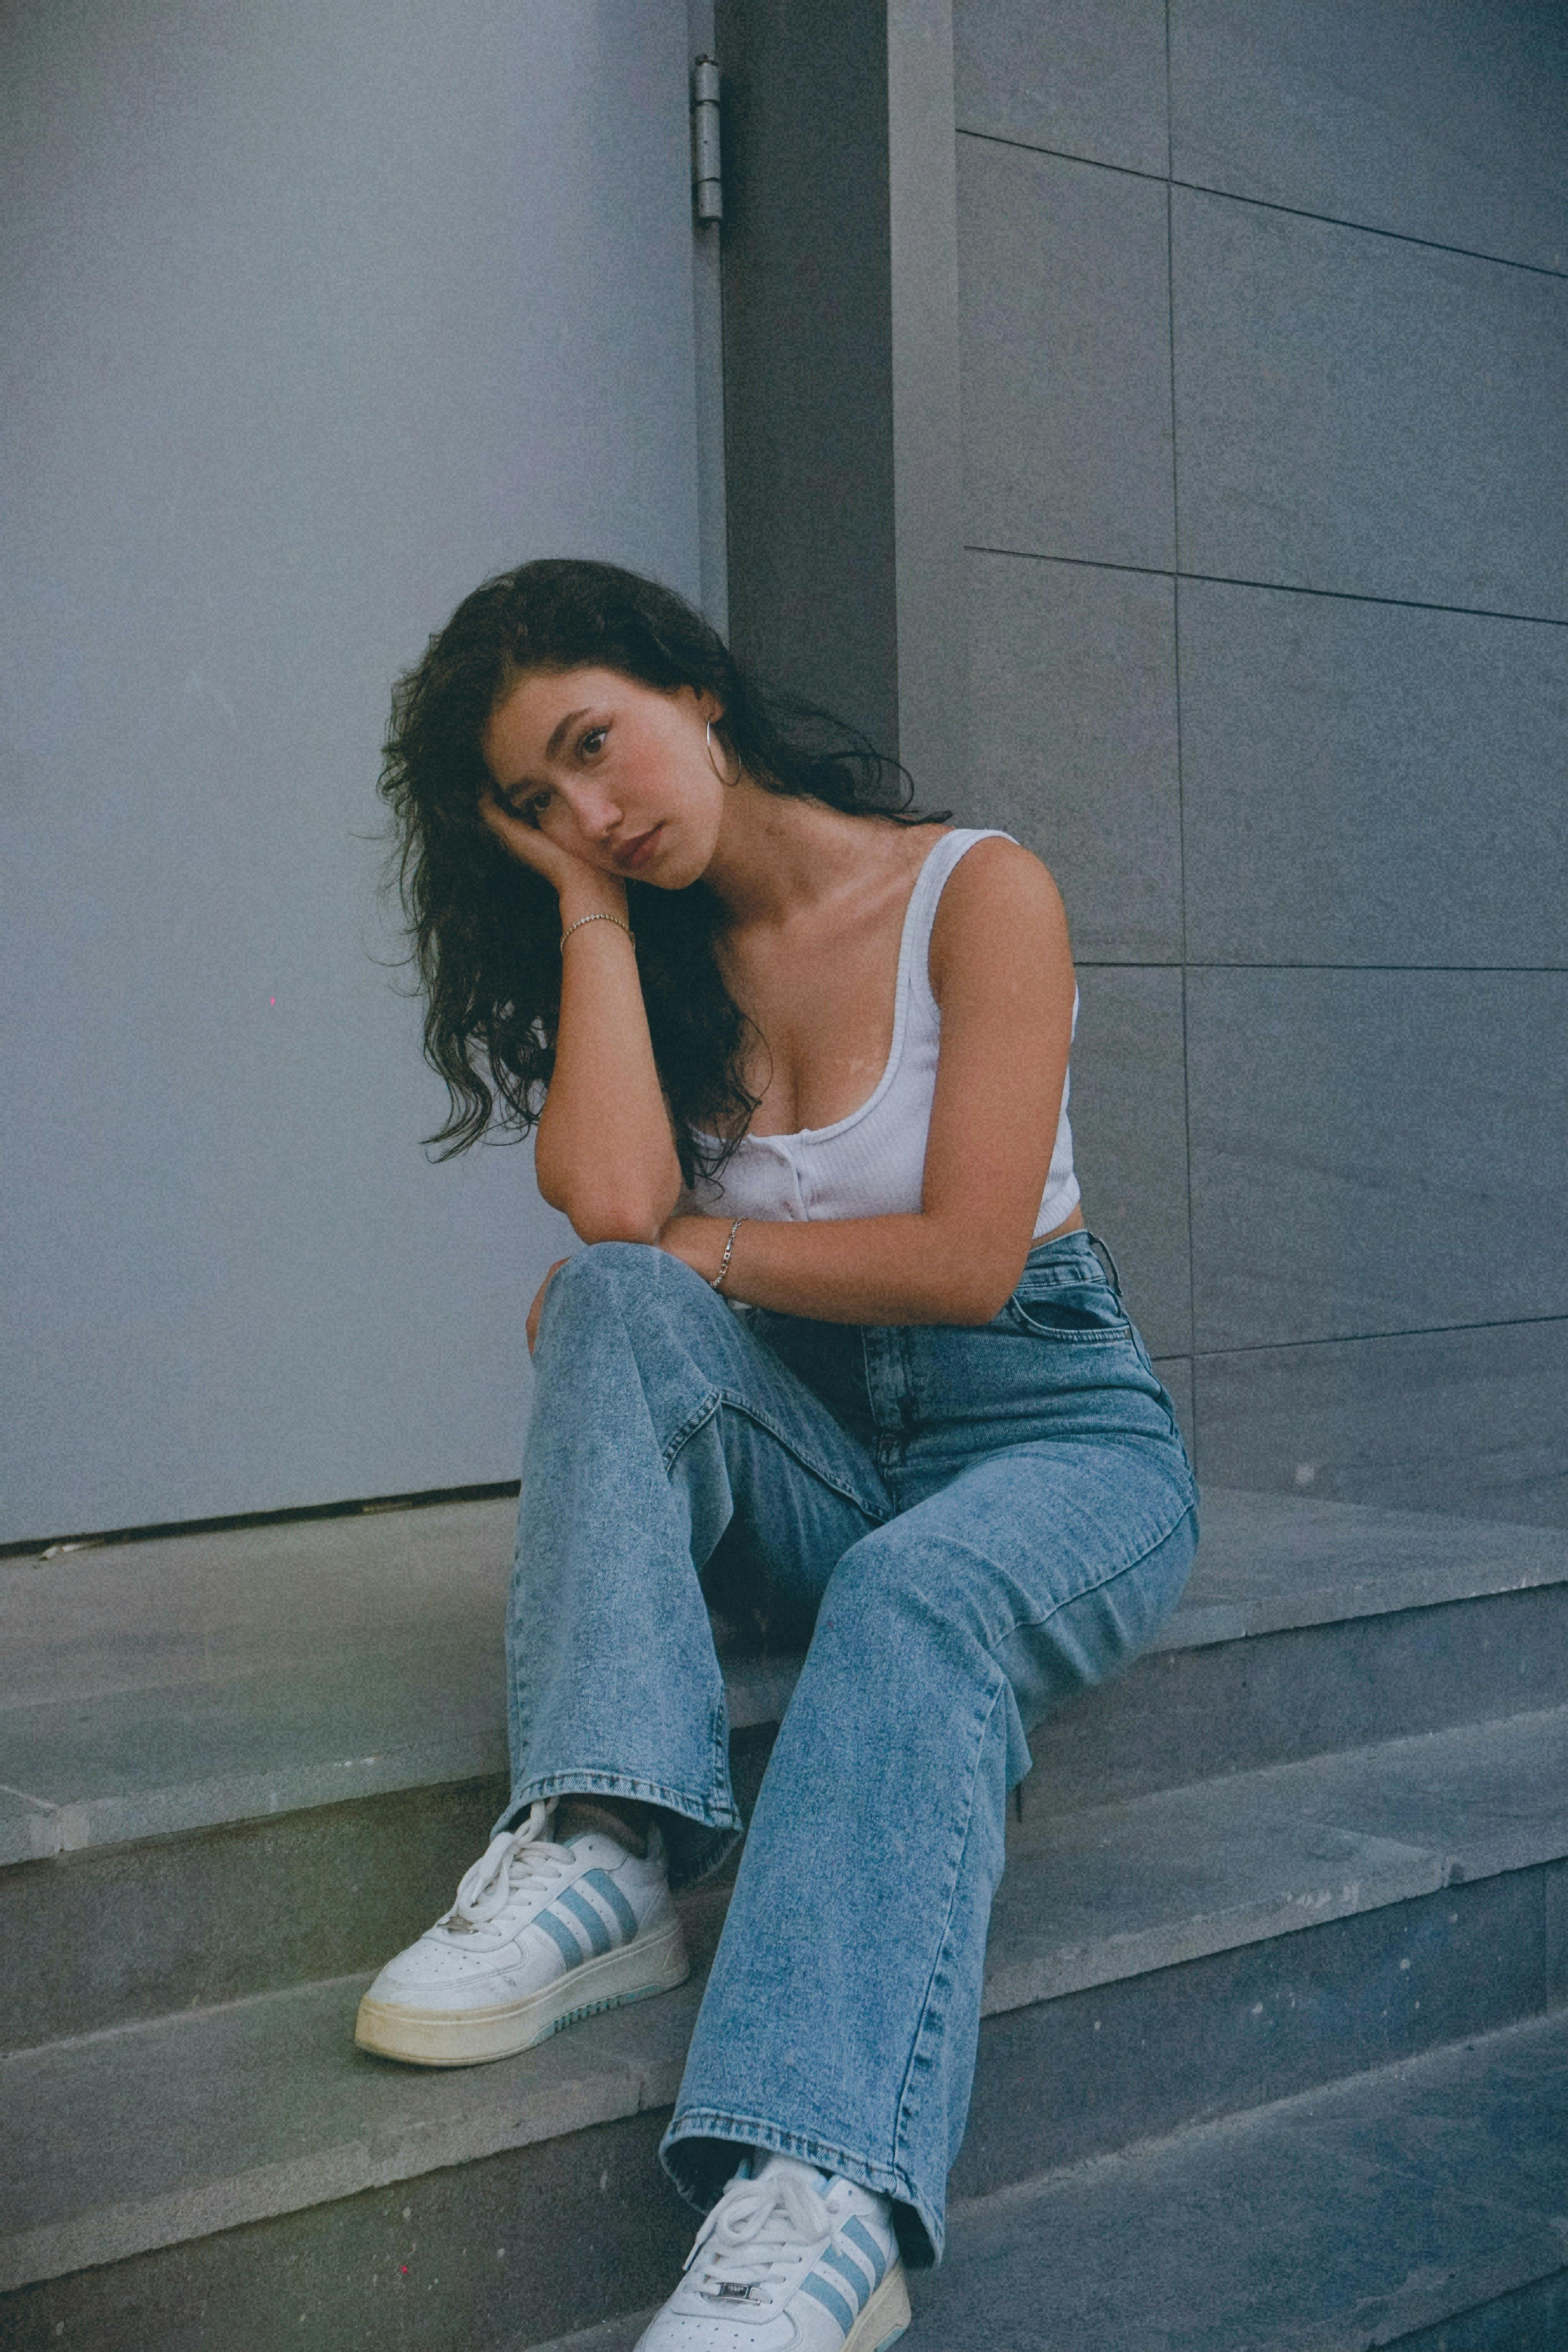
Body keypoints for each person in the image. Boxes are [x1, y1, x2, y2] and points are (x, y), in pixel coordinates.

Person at [363, 558, 1198, 2350]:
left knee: (913, 1589)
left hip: (1050, 1433)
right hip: (823, 1438)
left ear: (695, 689)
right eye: (536, 805)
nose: (591, 810)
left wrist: (702, 1251)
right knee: (613, 1301)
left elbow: (974, 1258)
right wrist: (590, 910)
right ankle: (602, 1846)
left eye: (597, 748)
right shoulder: (654, 961)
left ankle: (819, 2196)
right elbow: (609, 1223)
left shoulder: (976, 893)